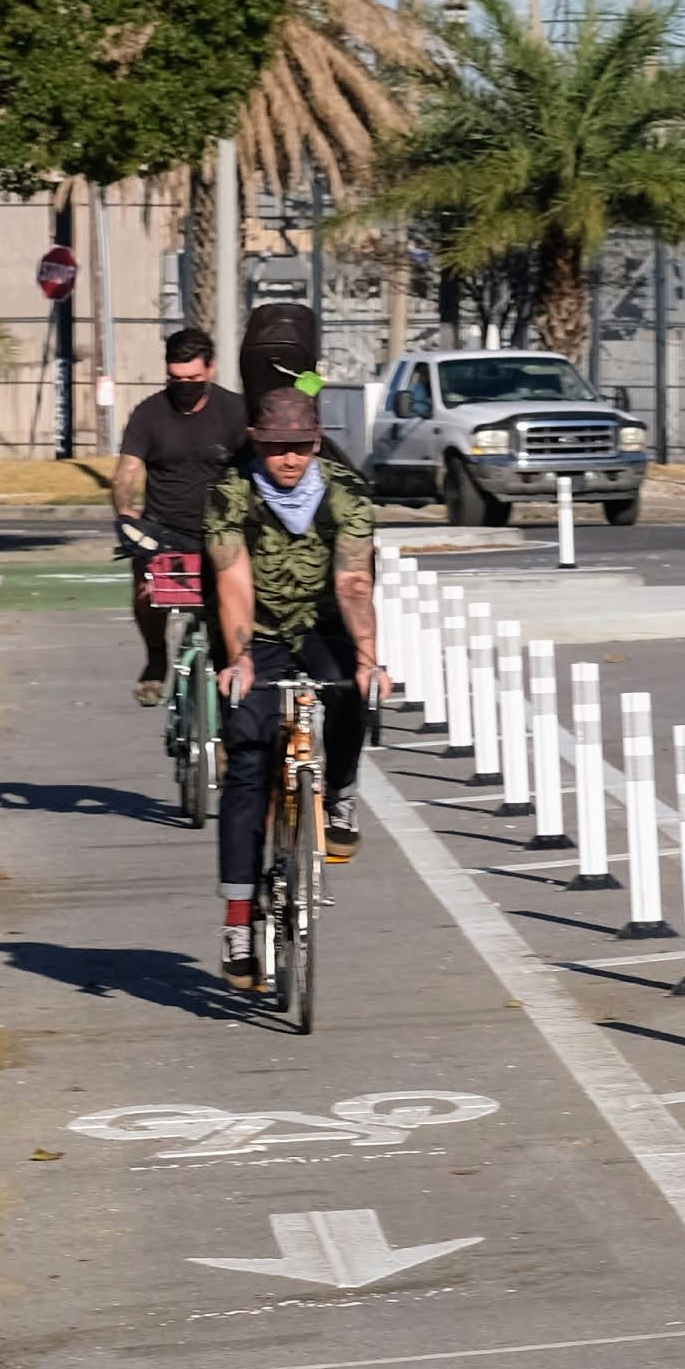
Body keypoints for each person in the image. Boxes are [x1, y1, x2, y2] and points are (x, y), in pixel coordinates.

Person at [208, 388, 392, 980]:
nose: (289, 459)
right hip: (256, 630)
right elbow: (232, 579)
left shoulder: (347, 491)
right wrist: (238, 659)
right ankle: (239, 920)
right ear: (258, 444)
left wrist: (369, 660)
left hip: (325, 624)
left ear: (317, 441)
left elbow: (354, 580)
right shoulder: (230, 492)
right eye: (277, 448)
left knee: (348, 692)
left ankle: (339, 789)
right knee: (248, 763)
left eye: (300, 446)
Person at [114, 326, 250, 702]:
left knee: (235, 605)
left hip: (225, 531)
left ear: (211, 370)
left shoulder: (236, 412)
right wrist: (128, 519)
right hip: (165, 530)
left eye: (193, 378)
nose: (185, 386)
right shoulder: (149, 414)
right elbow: (128, 472)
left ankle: (235, 667)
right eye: (176, 379)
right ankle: (156, 657)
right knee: (146, 589)